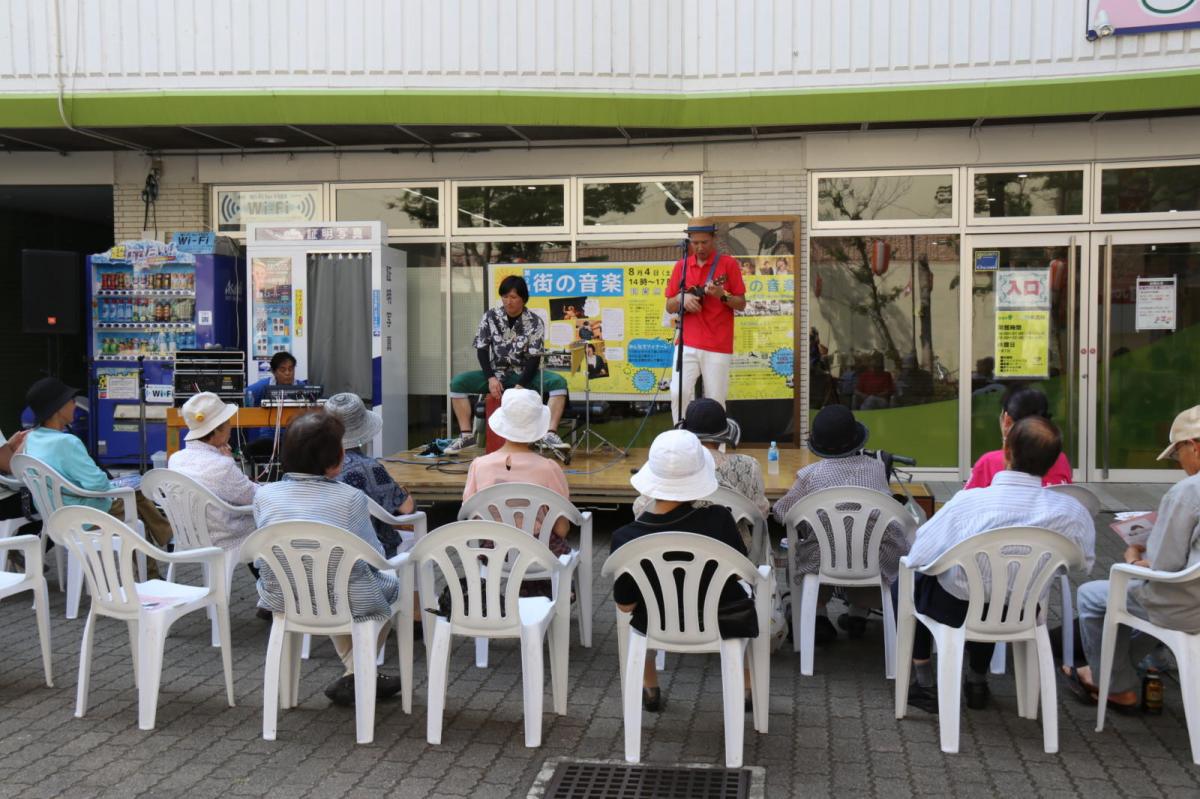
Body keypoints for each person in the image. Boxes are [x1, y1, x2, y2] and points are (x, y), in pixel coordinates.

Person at [899, 416, 1094, 713]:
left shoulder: (968, 503)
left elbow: (918, 555)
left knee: (926, 578)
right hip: (1024, 611)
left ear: (1006, 451)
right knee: (997, 588)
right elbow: (1084, 564)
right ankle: (977, 680)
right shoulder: (1072, 512)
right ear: (1054, 461)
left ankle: (924, 681)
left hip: (957, 609)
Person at [253, 411, 403, 707]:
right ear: (335, 459)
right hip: (342, 597)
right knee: (383, 588)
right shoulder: (350, 498)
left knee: (330, 579)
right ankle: (359, 673)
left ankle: (356, 674)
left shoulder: (265, 495)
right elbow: (374, 556)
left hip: (284, 595)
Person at [1068, 406, 1200, 713]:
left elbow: (1164, 566)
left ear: (1193, 445)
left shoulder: (1188, 492)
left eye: (1177, 453)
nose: (1179, 463)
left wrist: (1134, 556)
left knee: (1093, 596)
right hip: (1190, 592)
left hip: (1187, 604)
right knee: (1136, 599)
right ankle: (1111, 674)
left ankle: (1114, 687)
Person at [612, 429, 750, 712]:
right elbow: (739, 573)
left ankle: (650, 687)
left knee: (641, 615)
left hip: (657, 624)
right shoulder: (720, 519)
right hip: (724, 620)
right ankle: (746, 688)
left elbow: (625, 605)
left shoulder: (625, 537)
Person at [772, 405, 910, 643]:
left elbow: (781, 512)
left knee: (813, 550)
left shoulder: (809, 475)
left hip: (825, 560)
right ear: (857, 440)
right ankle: (858, 614)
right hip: (876, 560)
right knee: (864, 542)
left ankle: (818, 616)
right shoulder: (877, 469)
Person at [22, 377, 173, 548]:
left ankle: (167, 535)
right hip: (84, 514)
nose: (75, 404)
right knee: (134, 509)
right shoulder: (66, 442)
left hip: (55, 514)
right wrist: (112, 484)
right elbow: (98, 484)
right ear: (58, 409)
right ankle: (161, 548)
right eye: (71, 400)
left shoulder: (31, 438)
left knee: (135, 494)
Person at [445, 276, 568, 455]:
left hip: (525, 373)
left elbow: (534, 359)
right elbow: (482, 350)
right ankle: (466, 435)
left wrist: (520, 386)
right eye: (505, 297)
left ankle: (550, 433)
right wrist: (490, 378)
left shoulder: (535, 322)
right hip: (497, 373)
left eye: (513, 297)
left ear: (523, 299)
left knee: (558, 383)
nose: (508, 301)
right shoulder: (490, 317)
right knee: (457, 383)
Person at [462, 389, 573, 586]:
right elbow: (562, 527)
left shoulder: (479, 465)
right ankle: (545, 592)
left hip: (494, 552)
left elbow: (470, 515)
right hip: (541, 551)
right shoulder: (548, 468)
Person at [633, 398, 768, 534]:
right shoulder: (749, 466)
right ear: (725, 433)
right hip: (732, 545)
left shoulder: (667, 466)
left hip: (667, 544)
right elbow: (760, 514)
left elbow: (640, 510)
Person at [663, 217, 747, 423]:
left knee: (716, 400)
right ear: (689, 241)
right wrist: (681, 298)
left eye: (704, 242)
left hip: (718, 342)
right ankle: (681, 436)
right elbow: (669, 306)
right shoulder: (681, 266)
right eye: (695, 242)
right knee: (678, 392)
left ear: (714, 238)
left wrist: (722, 295)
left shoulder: (728, 264)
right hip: (686, 342)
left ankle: (715, 442)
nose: (699, 247)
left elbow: (741, 303)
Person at [324, 392, 415, 558]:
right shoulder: (369, 468)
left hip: (323, 551)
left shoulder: (311, 467)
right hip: (370, 553)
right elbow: (406, 508)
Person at [168, 392, 258, 550]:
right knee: (271, 520)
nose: (230, 426)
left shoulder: (175, 459)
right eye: (227, 421)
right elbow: (256, 497)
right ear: (216, 430)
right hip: (224, 541)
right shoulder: (222, 466)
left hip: (188, 539)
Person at [965, 387, 1072, 489]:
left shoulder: (989, 462)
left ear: (1007, 421)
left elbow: (966, 499)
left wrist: (1006, 441)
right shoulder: (1060, 459)